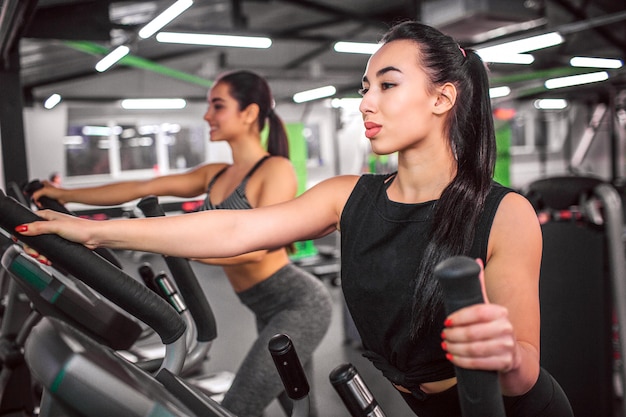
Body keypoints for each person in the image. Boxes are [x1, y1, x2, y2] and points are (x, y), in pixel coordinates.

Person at [18, 22, 573, 417]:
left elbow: (524, 366)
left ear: (442, 97)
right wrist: (92, 228)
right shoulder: (347, 196)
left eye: (387, 85)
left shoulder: (506, 213)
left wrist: (501, 355)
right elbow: (234, 230)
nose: (365, 103)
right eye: (364, 88)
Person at [28, 70, 332, 417]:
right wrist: (65, 195)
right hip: (265, 306)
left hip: (298, 303)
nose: (207, 116)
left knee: (238, 407)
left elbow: (256, 248)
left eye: (218, 106)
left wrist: (174, 243)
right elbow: (140, 187)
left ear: (249, 113)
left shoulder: (274, 169)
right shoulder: (215, 173)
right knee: (300, 409)